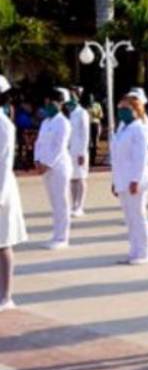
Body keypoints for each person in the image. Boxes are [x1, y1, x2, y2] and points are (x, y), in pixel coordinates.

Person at [111, 90, 148, 265]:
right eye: (120, 108)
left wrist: (135, 179)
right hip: (122, 178)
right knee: (129, 218)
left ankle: (143, 252)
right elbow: (117, 157)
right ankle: (134, 251)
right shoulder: (122, 127)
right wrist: (115, 181)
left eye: (126, 108)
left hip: (135, 180)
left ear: (136, 110)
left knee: (138, 216)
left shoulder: (139, 128)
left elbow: (141, 157)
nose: (122, 111)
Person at [0, 76, 27, 309]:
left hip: (2, 191)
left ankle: (6, 296)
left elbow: (5, 162)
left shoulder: (4, 126)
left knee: (3, 243)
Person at [34, 88, 72, 249]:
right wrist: (37, 160)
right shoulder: (46, 122)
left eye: (51, 102)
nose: (47, 104)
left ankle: (62, 237)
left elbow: (59, 146)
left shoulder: (63, 122)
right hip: (45, 166)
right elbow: (39, 143)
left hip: (58, 166)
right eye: (47, 101)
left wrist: (47, 164)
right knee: (54, 203)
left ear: (60, 103)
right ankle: (56, 234)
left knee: (61, 202)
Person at [66, 87, 90, 217]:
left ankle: (80, 206)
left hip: (79, 150)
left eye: (72, 96)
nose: (70, 100)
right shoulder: (68, 113)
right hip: (69, 151)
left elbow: (85, 134)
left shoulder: (82, 113)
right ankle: (73, 204)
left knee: (80, 178)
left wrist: (82, 152)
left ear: (78, 97)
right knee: (72, 179)